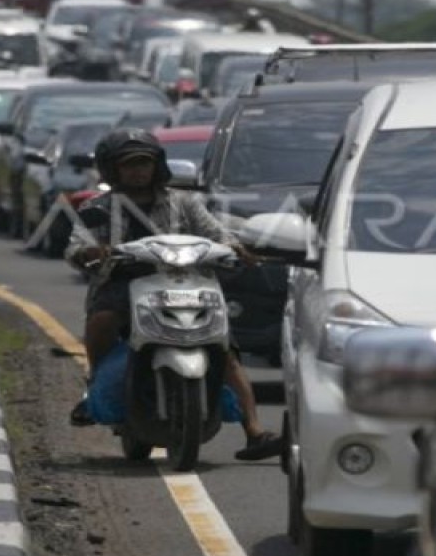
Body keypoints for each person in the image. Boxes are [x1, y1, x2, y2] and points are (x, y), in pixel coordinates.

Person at [64, 128, 286, 462]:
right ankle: (94, 387)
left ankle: (255, 431)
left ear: (157, 165)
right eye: (129, 164)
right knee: (102, 320)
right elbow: (76, 246)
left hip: (186, 282)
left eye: (144, 163)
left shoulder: (185, 202)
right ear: (113, 169)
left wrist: (238, 249)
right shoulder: (97, 207)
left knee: (224, 349)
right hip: (122, 286)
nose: (138, 171)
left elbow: (217, 234)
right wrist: (90, 252)